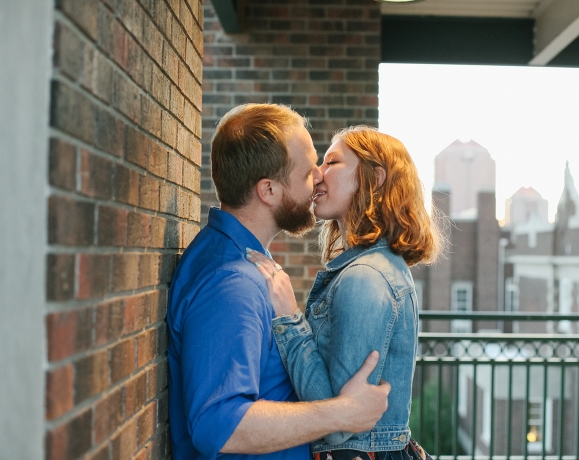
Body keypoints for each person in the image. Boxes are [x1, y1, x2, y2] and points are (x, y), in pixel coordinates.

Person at [167, 104, 391, 460]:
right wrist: (343, 412)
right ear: (268, 190)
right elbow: (217, 425)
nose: (319, 177)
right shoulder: (230, 284)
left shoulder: (242, 259)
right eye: (307, 172)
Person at [247, 126, 442, 460]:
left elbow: (338, 423)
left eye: (332, 162)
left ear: (374, 179)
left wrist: (289, 318)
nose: (317, 175)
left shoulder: (365, 278)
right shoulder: (372, 268)